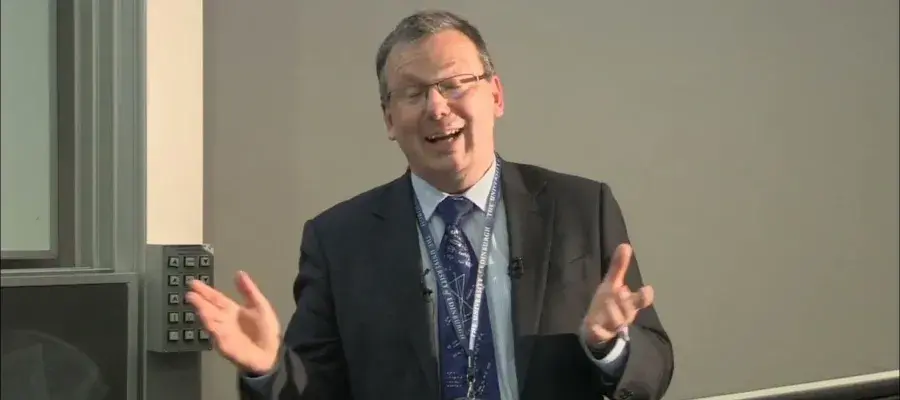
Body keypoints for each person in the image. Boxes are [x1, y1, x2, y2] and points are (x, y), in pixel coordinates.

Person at [186, 9, 674, 400]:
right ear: (389, 118)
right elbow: (315, 386)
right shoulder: (339, 240)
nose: (437, 108)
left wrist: (609, 346)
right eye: (414, 93)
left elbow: (653, 362)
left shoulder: (582, 207)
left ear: (496, 95)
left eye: (454, 84)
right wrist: (269, 368)